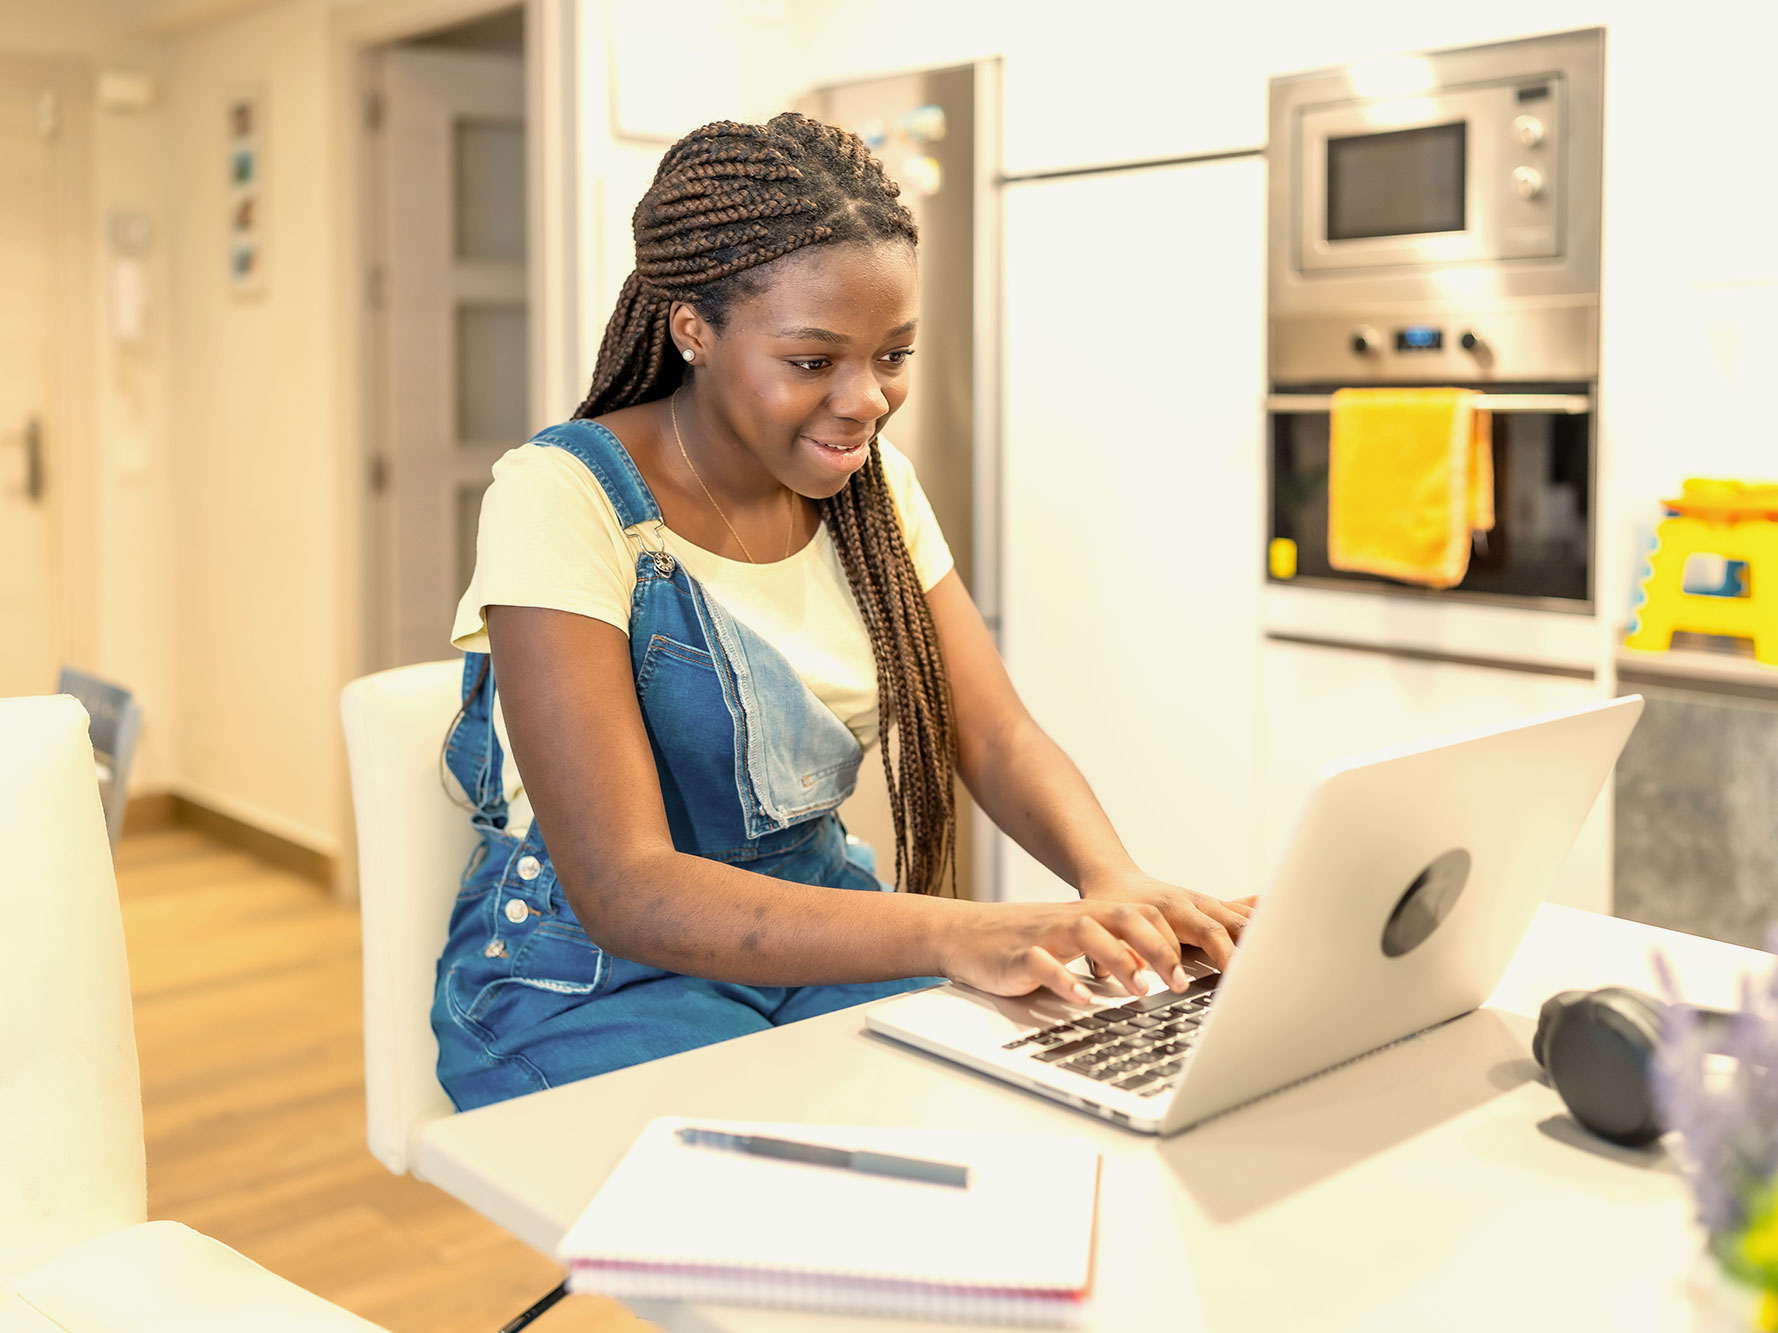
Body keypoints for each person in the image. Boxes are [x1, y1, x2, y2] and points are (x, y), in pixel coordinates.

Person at [433, 112, 1254, 1112]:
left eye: (892, 354)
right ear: (692, 328)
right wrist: (961, 927)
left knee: (1027, 1111)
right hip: (586, 974)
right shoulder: (564, 494)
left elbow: (990, 731)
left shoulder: (871, 488)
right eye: (813, 361)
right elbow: (627, 889)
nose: (865, 399)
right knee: (810, 1200)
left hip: (820, 931)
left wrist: (1111, 877)